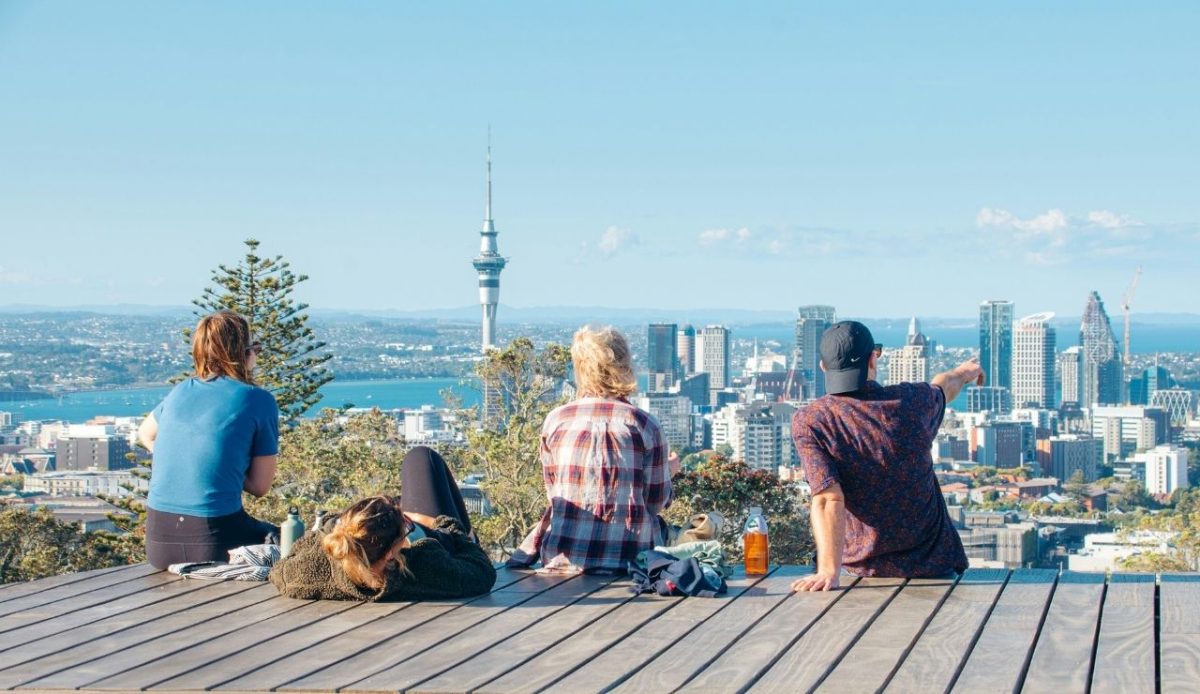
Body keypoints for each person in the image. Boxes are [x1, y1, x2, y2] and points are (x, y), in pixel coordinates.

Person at [790, 321, 983, 592]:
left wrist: (828, 572)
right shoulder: (913, 401)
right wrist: (965, 372)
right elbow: (944, 386)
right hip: (933, 566)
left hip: (858, 571)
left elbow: (827, 498)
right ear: (873, 358)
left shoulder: (812, 420)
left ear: (824, 366)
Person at [508, 325, 679, 573]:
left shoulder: (556, 420)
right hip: (631, 561)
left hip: (562, 559)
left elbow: (555, 493)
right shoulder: (644, 425)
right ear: (624, 365)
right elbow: (655, 503)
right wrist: (669, 470)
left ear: (579, 367)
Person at [138, 310, 280, 570]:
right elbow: (260, 486)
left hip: (158, 544)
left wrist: (186, 460)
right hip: (212, 541)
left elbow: (145, 433)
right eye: (255, 349)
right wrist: (224, 468)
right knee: (287, 541)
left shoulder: (181, 391)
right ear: (244, 353)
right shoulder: (258, 400)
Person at [269, 446, 496, 600]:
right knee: (422, 457)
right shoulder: (426, 566)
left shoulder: (309, 573)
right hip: (449, 545)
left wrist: (327, 527)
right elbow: (483, 571)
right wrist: (441, 525)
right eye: (406, 527)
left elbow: (280, 570)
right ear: (391, 554)